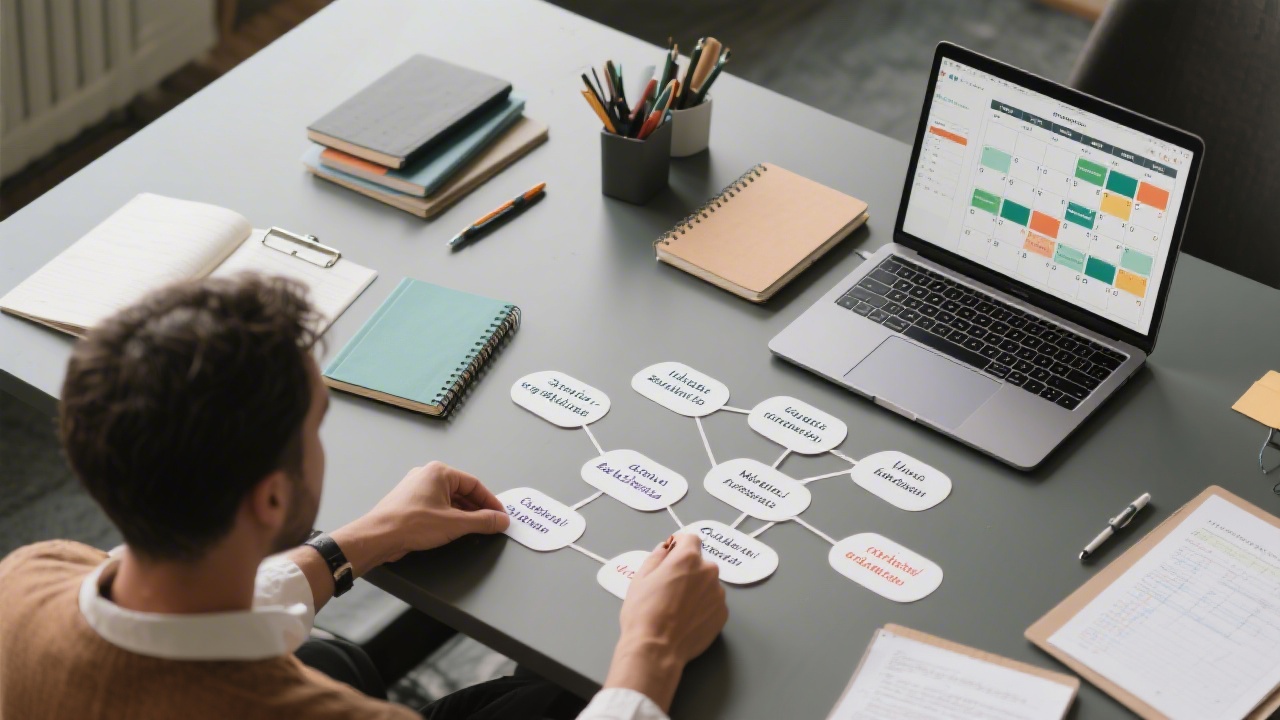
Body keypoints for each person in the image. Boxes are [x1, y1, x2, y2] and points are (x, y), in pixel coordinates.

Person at [0, 274, 727, 720]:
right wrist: (651, 648)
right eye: (318, 425)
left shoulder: (28, 575)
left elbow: (172, 620)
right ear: (272, 500)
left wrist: (355, 544)